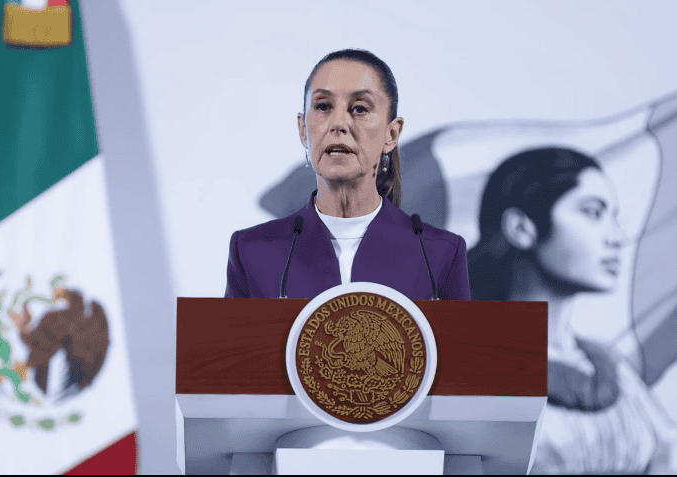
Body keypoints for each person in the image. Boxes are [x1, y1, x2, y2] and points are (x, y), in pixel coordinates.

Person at [467, 147, 677, 474]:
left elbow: (667, 451)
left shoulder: (612, 367)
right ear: (521, 228)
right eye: (593, 213)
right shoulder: (465, 365)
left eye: (614, 217)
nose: (617, 238)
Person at [224, 49, 470, 300]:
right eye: (323, 106)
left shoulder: (439, 254)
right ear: (303, 129)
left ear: (392, 134)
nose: (338, 123)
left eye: (360, 108)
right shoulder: (252, 252)